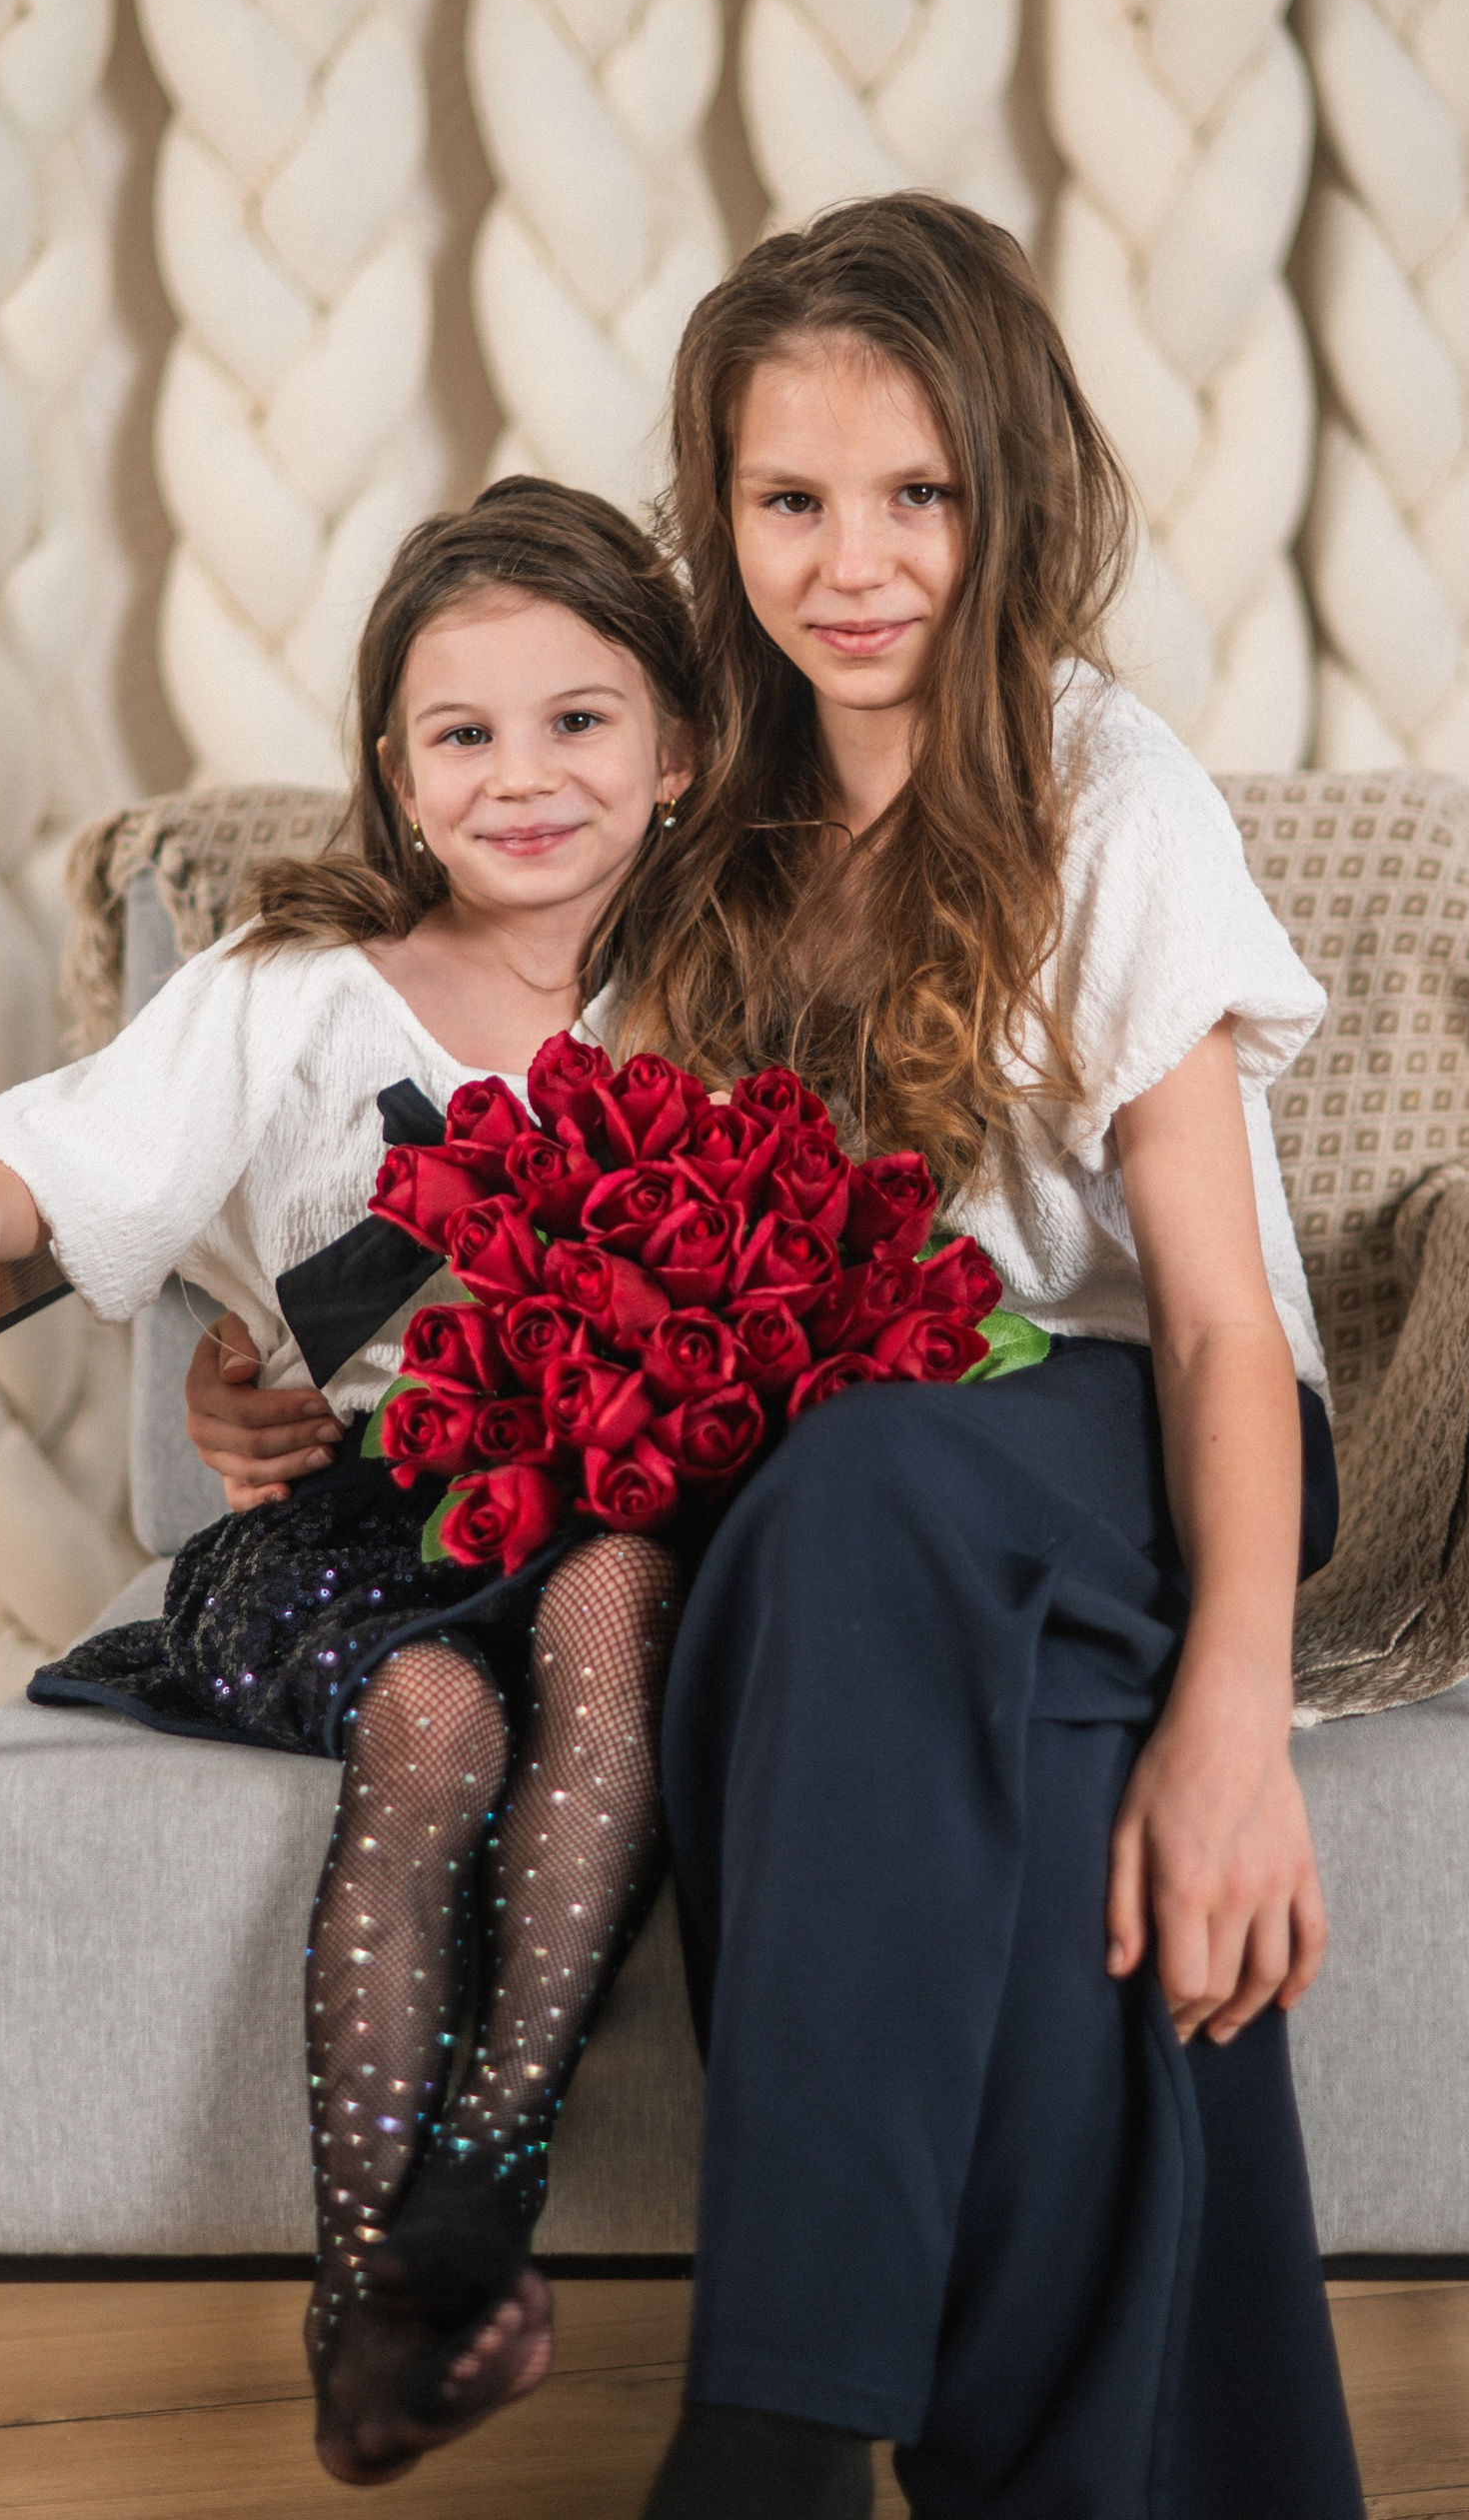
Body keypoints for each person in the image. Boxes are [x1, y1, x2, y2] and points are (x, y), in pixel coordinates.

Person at [201, 194, 1368, 2519]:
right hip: (859, 1522)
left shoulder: (1103, 792)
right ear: (716, 512)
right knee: (942, 1707)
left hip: (1131, 1433)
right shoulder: (688, 786)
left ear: (1010, 490)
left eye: (918, 493)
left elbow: (1217, 1318)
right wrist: (299, 1360)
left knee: (851, 1488)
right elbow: (521, 1138)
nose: (856, 564)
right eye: (790, 500)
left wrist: (1236, 1722)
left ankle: (775, 2430)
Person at [0, 479, 700, 2489]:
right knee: (434, 1709)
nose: (523, 776)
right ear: (396, 767)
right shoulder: (297, 983)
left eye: (579, 721)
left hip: (613, 1505)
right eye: (463, 734)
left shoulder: (725, 985)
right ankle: (368, 2300)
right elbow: (81, 1146)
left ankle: (483, 2179)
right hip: (352, 1516)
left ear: (677, 751)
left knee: (617, 1597)